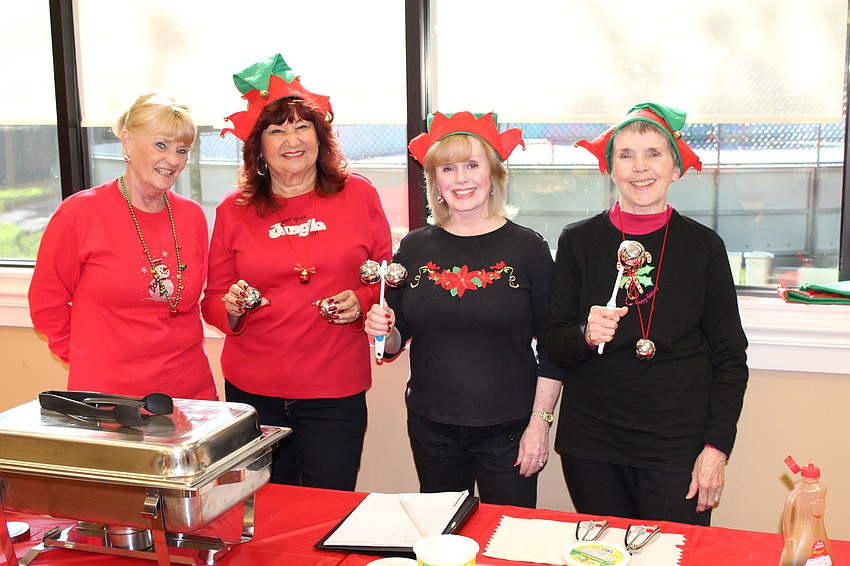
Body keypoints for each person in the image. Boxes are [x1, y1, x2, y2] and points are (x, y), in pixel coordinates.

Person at [545, 102, 748, 526]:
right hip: (593, 444)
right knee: (603, 554)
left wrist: (716, 447)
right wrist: (585, 335)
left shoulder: (704, 247)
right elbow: (553, 344)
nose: (640, 167)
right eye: (626, 155)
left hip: (677, 445)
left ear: (676, 168)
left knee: (673, 552)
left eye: (654, 153)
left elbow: (730, 356)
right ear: (610, 168)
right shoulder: (578, 241)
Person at [201, 54, 392, 490]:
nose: (292, 139)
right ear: (258, 146)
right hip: (253, 392)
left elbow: (383, 279)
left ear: (320, 137)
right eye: (276, 130)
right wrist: (232, 307)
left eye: (302, 126)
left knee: (329, 505)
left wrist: (360, 301)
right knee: (264, 507)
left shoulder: (359, 195)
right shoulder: (233, 210)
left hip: (334, 389)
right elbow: (211, 301)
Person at [364, 111, 563, 508]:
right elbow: (396, 338)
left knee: (506, 536)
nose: (461, 179)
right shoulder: (414, 248)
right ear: (435, 181)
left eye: (472, 165)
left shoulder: (528, 248)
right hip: (431, 427)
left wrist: (539, 424)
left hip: (509, 430)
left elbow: (553, 345)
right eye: (448, 168)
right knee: (441, 533)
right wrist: (383, 331)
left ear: (493, 174)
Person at [28, 91, 217, 400]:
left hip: (190, 394)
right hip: (108, 398)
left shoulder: (191, 215)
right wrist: (85, 357)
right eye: (161, 145)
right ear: (127, 142)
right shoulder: (79, 213)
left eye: (182, 150)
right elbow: (46, 303)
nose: (173, 160)